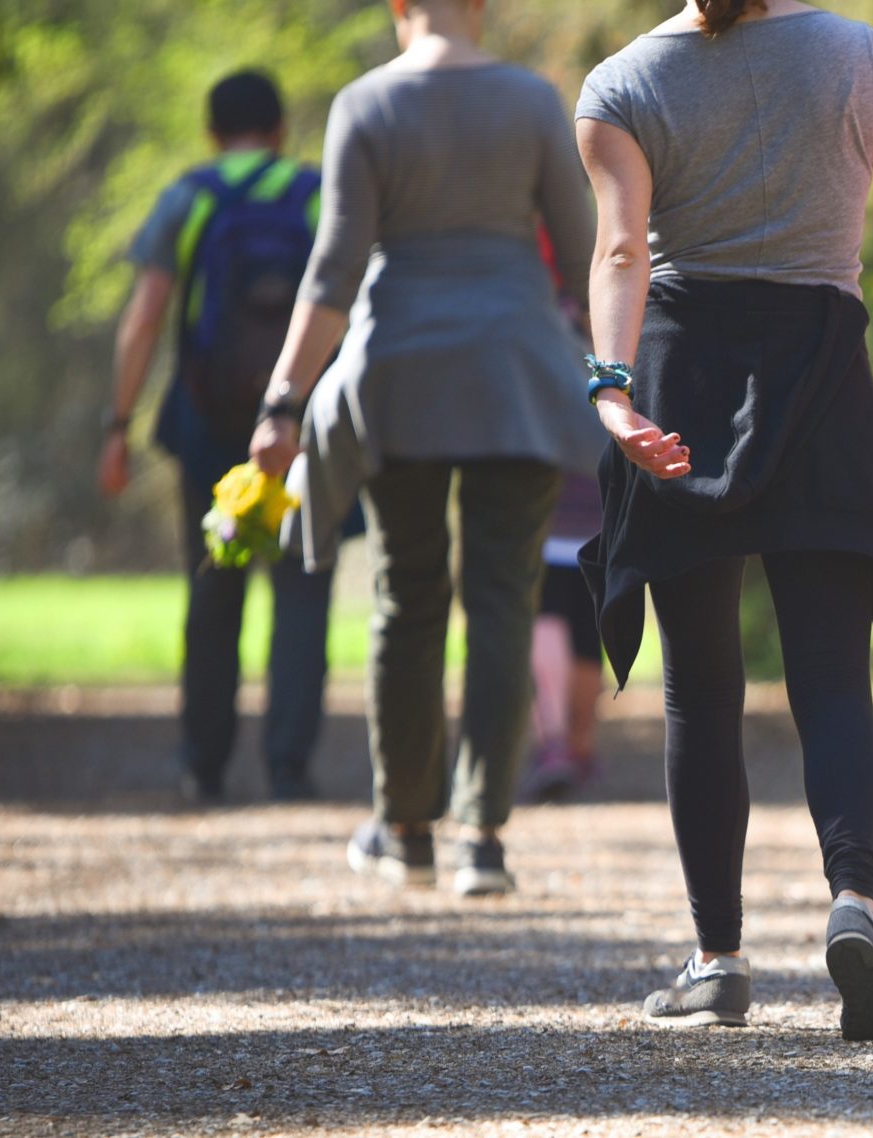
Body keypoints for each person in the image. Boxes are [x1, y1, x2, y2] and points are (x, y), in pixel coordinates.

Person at [575, 0, 873, 1039]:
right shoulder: (866, 62)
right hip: (824, 381)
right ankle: (856, 907)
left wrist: (612, 395)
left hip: (678, 383)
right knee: (833, 678)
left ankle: (717, 959)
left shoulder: (619, 85)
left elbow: (622, 253)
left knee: (700, 690)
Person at [248, 0, 603, 898]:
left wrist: (285, 400)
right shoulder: (531, 102)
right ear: (481, 7)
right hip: (516, 374)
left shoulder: (364, 106)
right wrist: (617, 381)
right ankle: (481, 838)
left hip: (399, 377)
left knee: (407, 594)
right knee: (502, 599)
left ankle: (405, 828)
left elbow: (332, 271)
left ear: (402, 7)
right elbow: (587, 249)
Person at [98, 70, 335, 804]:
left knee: (213, 585)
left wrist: (118, 423)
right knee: (302, 585)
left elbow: (144, 318)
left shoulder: (190, 197)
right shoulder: (317, 193)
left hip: (207, 420)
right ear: (280, 129)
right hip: (301, 420)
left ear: (211, 131)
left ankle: (204, 762)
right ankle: (289, 764)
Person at [519, 472, 610, 803]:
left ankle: (554, 745)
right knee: (589, 635)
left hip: (543, 517)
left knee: (546, 622)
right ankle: (580, 748)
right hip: (599, 521)